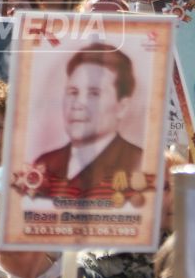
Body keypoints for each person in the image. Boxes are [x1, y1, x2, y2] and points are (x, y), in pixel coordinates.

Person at [31, 43, 146, 204]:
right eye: (73, 92)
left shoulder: (140, 164)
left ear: (122, 106)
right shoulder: (44, 165)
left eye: (94, 94)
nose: (78, 104)